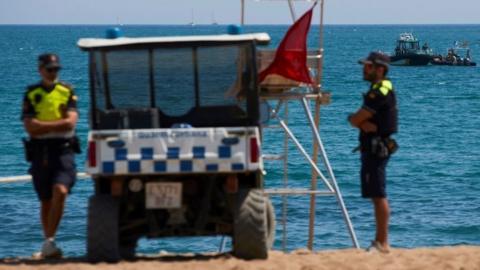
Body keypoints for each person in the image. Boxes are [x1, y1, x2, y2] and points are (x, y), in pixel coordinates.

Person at [21, 53, 79, 258]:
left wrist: (42, 126)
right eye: (50, 69)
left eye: (56, 69)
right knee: (46, 200)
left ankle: (49, 241)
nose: (53, 73)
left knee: (61, 191)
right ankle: (49, 244)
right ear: (41, 70)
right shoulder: (32, 93)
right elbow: (30, 128)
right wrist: (57, 124)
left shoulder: (66, 91)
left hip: (63, 150)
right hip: (40, 153)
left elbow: (71, 122)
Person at [348, 52, 398, 253]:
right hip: (375, 146)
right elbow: (360, 120)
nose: (364, 69)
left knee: (379, 195)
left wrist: (356, 120)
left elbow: (357, 118)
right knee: (376, 194)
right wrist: (360, 121)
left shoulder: (379, 92)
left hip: (377, 148)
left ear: (380, 69)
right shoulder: (380, 89)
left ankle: (382, 242)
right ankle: (380, 241)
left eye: (368, 66)